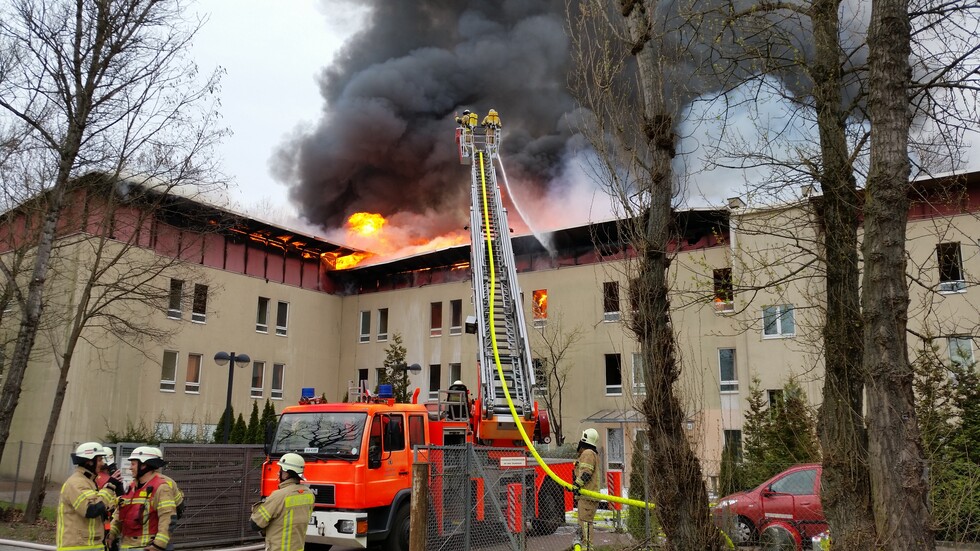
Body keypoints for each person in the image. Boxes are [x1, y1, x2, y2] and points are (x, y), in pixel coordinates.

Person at [108, 447, 179, 551]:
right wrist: (112, 534)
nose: (130, 468)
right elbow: (121, 513)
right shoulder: (132, 486)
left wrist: (158, 545)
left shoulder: (161, 487)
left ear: (144, 465)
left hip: (146, 546)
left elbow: (167, 517)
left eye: (133, 464)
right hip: (126, 545)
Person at [57, 442, 119, 551]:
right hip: (77, 546)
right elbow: (91, 510)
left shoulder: (88, 481)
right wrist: (109, 488)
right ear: (89, 462)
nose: (102, 463)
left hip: (90, 545)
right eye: (99, 460)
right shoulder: (77, 483)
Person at [250, 453, 315, 551]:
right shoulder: (309, 494)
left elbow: (255, 524)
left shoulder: (279, 496)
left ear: (286, 473)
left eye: (280, 470)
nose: (278, 473)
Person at [572, 428, 601, 551]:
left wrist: (576, 485)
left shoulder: (588, 453)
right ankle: (585, 546)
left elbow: (586, 472)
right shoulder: (591, 453)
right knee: (584, 523)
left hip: (587, 495)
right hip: (588, 495)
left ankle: (587, 548)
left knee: (585, 523)